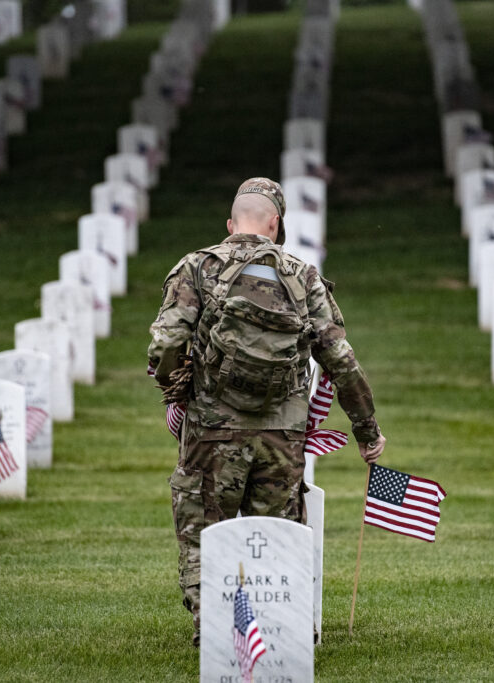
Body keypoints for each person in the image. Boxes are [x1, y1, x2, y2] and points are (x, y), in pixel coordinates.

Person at [148, 177, 386, 645]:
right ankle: (273, 632)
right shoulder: (302, 276)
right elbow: (340, 359)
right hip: (281, 435)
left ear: (231, 223)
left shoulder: (197, 267)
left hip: (211, 432)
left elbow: (167, 344)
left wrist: (177, 392)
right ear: (275, 225)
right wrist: (366, 430)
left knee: (204, 533)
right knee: (274, 538)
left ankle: (212, 630)